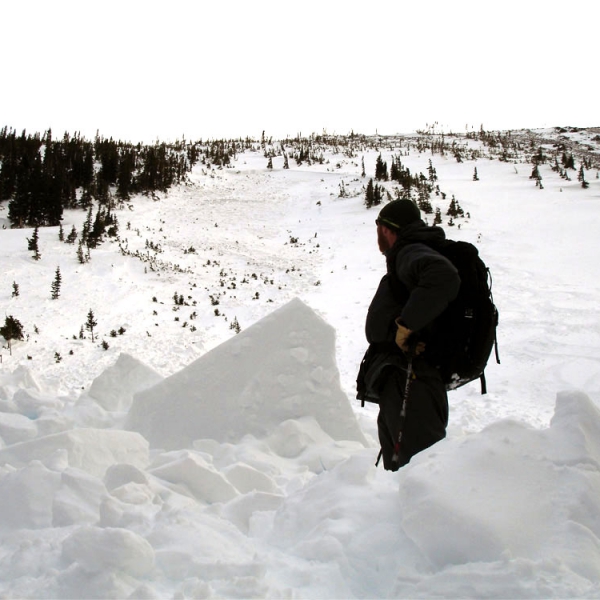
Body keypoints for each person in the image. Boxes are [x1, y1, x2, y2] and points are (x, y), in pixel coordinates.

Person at [357, 199, 461, 470]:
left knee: (421, 468)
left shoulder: (409, 250)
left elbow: (442, 276)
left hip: (411, 377)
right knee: (403, 465)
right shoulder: (411, 251)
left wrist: (407, 326)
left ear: (388, 229)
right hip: (409, 377)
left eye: (379, 228)